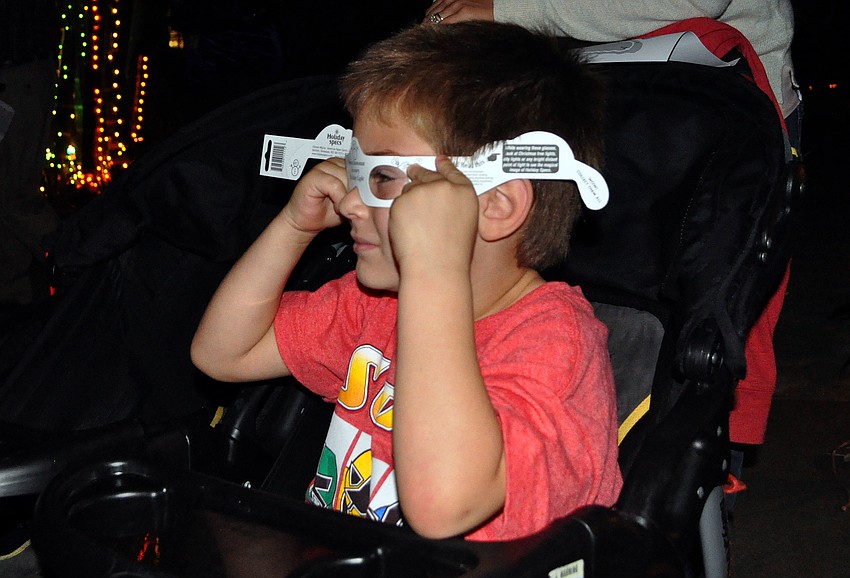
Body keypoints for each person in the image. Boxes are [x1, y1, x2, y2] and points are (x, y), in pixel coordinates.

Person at [191, 21, 622, 541]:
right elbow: (222, 354)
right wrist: (292, 226)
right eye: (355, 173)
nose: (350, 201)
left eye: (383, 177)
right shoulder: (371, 305)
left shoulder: (553, 345)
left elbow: (445, 506)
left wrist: (435, 270)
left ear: (495, 205)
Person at [424, 0, 801, 494]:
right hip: (578, 95)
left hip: (697, 111)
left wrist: (510, 10)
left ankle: (682, 489)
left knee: (696, 324)